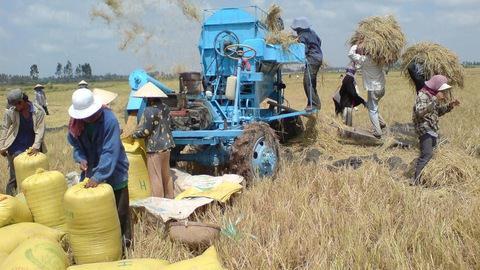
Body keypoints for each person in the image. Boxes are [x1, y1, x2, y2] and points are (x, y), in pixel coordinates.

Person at [67, 88, 131, 246]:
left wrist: (99, 176)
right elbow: (77, 146)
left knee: (120, 211)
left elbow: (110, 150)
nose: (89, 118)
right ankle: (101, 246)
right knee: (96, 214)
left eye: (91, 114)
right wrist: (80, 158)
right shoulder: (76, 124)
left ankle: (125, 245)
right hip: (90, 172)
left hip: (114, 171)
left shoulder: (109, 120)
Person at [412, 75, 459, 184]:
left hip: (432, 128)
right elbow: (419, 112)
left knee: (430, 154)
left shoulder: (432, 95)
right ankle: (415, 180)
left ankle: (424, 178)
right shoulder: (423, 95)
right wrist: (434, 99)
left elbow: (437, 112)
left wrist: (450, 106)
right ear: (436, 86)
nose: (443, 91)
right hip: (424, 128)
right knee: (426, 154)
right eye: (441, 88)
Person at [130, 82, 175, 198]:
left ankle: (158, 204)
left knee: (155, 177)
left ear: (149, 98)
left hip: (155, 148)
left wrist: (133, 135)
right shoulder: (165, 107)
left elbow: (145, 131)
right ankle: (170, 198)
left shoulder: (149, 110)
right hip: (167, 146)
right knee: (167, 175)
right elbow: (171, 124)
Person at [0, 89, 46, 195]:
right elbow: (5, 128)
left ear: (22, 101)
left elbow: (40, 130)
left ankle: (35, 196)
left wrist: (36, 146)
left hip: (33, 144)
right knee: (15, 176)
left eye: (16, 105)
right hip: (16, 145)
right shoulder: (11, 111)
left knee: (36, 174)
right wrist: (2, 146)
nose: (15, 107)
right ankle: (9, 199)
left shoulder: (38, 111)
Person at [349, 41, 387, 139]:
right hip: (382, 89)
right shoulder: (380, 59)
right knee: (373, 106)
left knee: (372, 109)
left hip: (373, 89)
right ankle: (382, 124)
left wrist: (357, 44)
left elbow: (351, 54)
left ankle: (377, 131)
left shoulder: (365, 60)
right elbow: (358, 66)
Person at [291, 17, 323, 110]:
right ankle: (313, 103)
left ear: (299, 29)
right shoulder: (312, 32)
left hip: (312, 59)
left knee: (307, 82)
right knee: (312, 82)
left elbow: (303, 50)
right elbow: (319, 41)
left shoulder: (302, 36)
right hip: (319, 57)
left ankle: (314, 104)